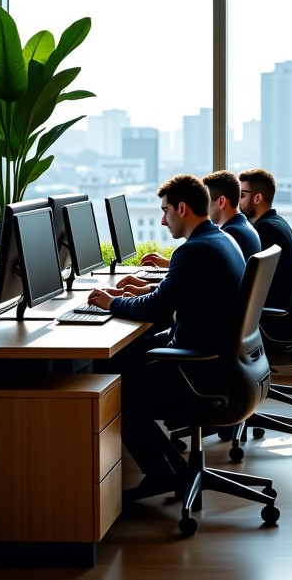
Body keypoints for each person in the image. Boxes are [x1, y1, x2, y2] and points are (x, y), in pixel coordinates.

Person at [87, 174, 246, 496]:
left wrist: (111, 302)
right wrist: (139, 295)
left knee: (119, 394)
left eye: (165, 211)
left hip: (201, 370)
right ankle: (173, 469)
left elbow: (155, 310)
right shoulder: (219, 239)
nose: (162, 221)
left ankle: (163, 474)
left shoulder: (194, 250)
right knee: (124, 361)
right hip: (225, 361)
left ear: (182, 209)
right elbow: (174, 296)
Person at [239, 167, 292, 311]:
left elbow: (247, 280)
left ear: (257, 198)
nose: (238, 202)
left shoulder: (264, 230)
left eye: (241, 195)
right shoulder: (279, 223)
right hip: (283, 309)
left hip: (271, 314)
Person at [204, 169, 262, 261]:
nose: (204, 208)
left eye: (206, 202)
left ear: (222, 202)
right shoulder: (245, 226)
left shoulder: (229, 234)